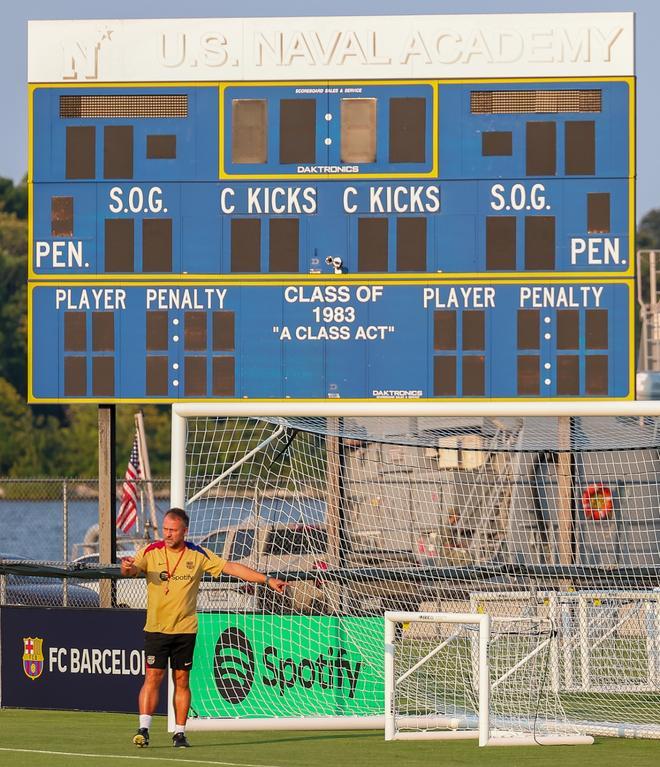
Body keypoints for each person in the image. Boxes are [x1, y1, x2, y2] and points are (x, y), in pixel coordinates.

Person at [120, 507, 287, 748]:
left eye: (173, 530)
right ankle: (143, 730)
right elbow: (131, 570)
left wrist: (267, 580)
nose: (168, 534)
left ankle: (179, 733)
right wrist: (126, 567)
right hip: (157, 629)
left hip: (185, 630)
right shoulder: (151, 551)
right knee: (153, 677)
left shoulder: (197, 554)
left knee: (182, 680)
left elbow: (232, 568)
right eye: (165, 529)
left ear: (184, 531)